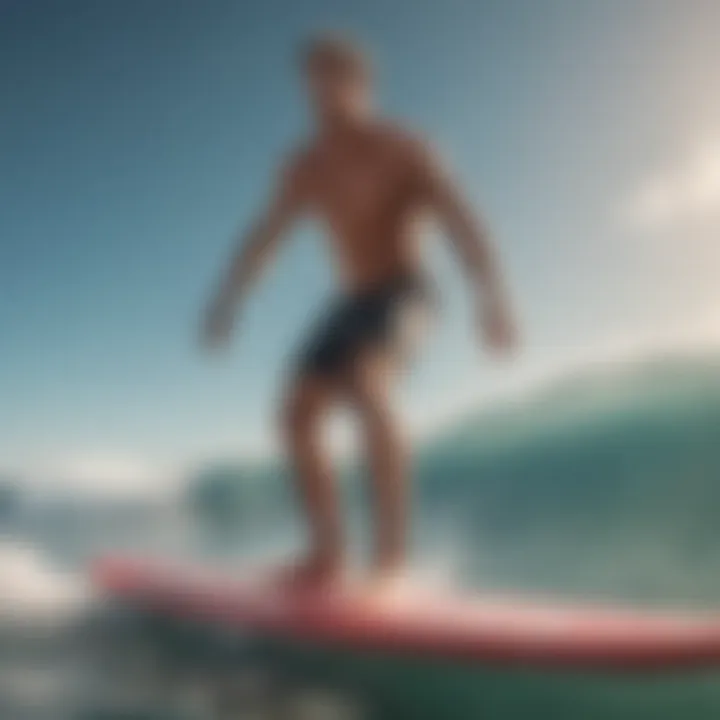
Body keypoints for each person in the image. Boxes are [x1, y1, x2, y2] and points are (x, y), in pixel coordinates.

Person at [201, 33, 517, 589]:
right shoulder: (305, 167)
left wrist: (491, 295)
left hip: (406, 290)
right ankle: (327, 555)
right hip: (350, 299)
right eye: (313, 79)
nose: (323, 90)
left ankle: (391, 562)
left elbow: (460, 217)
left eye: (336, 77)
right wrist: (230, 299)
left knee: (367, 384)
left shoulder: (405, 146)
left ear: (363, 83)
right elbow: (266, 236)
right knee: (295, 414)